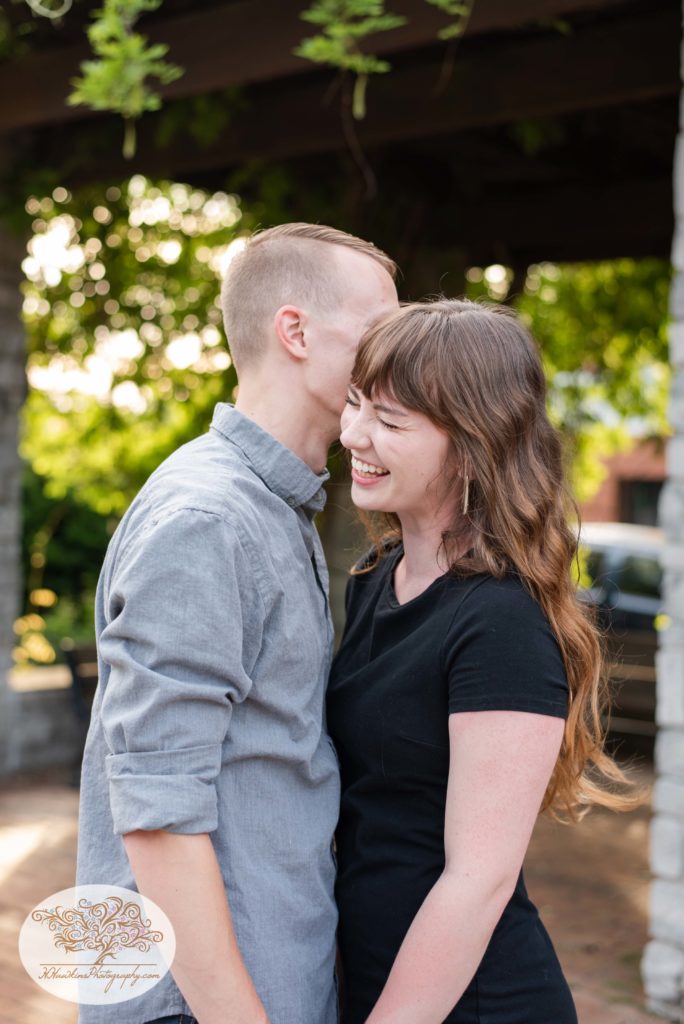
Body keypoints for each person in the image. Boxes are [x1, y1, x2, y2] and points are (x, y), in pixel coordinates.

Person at [75, 222, 399, 1024]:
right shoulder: (210, 518)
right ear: (295, 331)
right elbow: (156, 814)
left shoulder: (272, 508)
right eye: (381, 328)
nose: (403, 351)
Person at [327, 297, 643, 1024]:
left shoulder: (500, 622)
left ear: (471, 448)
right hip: (377, 981)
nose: (353, 433)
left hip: (469, 1004)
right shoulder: (375, 580)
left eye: (390, 420)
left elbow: (479, 882)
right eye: (355, 403)